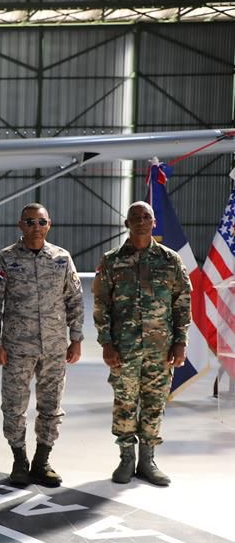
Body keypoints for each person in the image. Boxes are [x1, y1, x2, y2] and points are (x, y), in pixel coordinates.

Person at [0, 203, 84, 487]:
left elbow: (75, 299)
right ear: (21, 225)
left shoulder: (62, 258)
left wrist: (76, 338)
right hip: (17, 347)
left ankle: (42, 460)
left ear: (49, 225)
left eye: (41, 222)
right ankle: (19, 459)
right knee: (14, 404)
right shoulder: (6, 259)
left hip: (54, 347)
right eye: (30, 222)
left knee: (51, 405)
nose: (36, 227)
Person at [93, 201, 191, 486]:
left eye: (146, 216)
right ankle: (126, 458)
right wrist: (106, 343)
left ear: (153, 222)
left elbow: (182, 303)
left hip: (161, 348)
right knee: (125, 401)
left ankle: (147, 460)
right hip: (124, 348)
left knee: (154, 402)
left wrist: (181, 341)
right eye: (134, 216)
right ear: (127, 223)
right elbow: (101, 304)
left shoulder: (170, 260)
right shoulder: (111, 260)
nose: (140, 220)